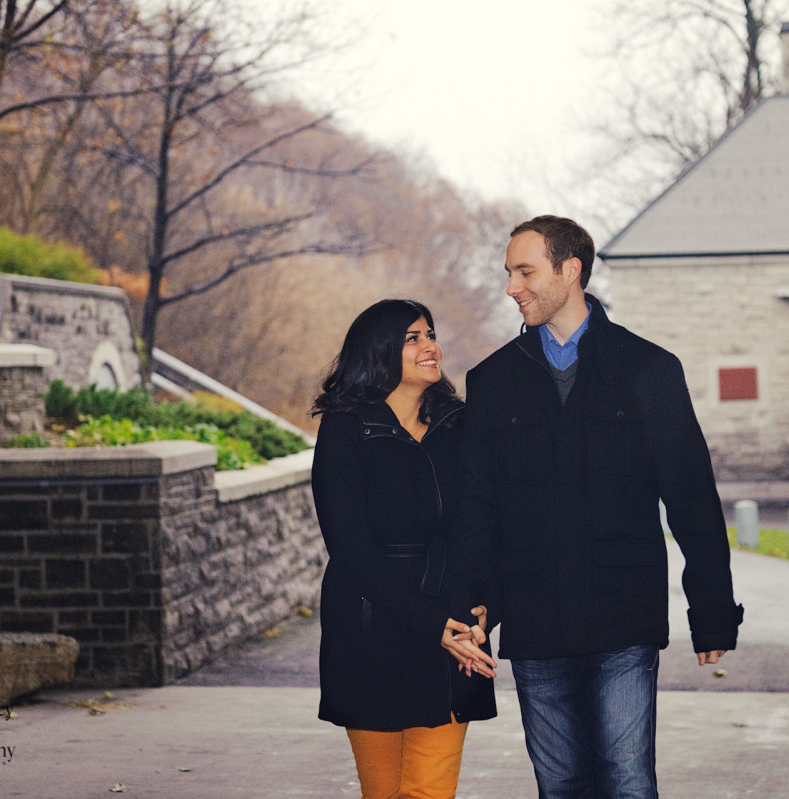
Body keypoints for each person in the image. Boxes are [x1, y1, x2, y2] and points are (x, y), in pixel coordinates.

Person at [450, 216, 744, 798]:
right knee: (560, 785)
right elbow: (477, 508)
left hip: (622, 617)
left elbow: (691, 497)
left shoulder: (650, 370)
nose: (512, 287)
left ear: (570, 270)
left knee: (627, 782)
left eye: (525, 271)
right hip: (534, 616)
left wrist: (711, 610)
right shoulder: (492, 381)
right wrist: (473, 606)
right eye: (509, 273)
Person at [310, 299, 498, 799]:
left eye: (430, 334)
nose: (430, 346)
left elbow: (488, 526)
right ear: (378, 351)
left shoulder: (463, 424)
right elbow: (348, 546)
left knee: (430, 791)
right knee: (384, 791)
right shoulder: (346, 427)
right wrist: (430, 625)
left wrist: (484, 607)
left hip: (454, 627)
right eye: (412, 337)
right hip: (371, 627)